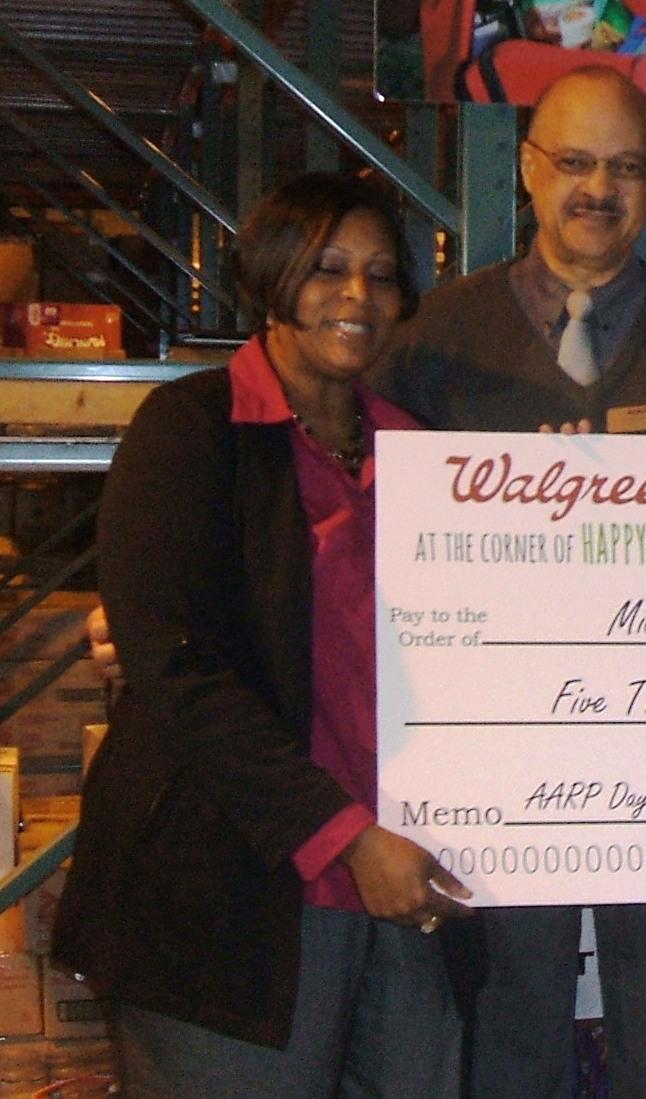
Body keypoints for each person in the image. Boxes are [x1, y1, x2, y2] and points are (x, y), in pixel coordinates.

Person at [372, 65, 646, 1099]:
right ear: (526, 169)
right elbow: (361, 547)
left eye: (628, 167)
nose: (599, 187)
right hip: (491, 771)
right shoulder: (428, 348)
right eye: (575, 161)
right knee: (503, 1035)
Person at [52, 173, 472, 1098]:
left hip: (403, 888)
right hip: (232, 890)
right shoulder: (192, 430)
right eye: (325, 268)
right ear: (272, 277)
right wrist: (342, 836)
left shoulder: (423, 453)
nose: (356, 296)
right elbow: (174, 664)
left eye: (379, 274)